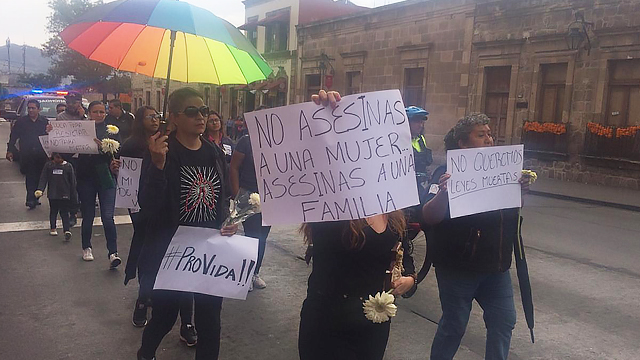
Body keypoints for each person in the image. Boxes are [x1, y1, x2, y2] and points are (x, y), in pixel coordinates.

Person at [297, 90, 417, 360]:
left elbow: (402, 252)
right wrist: (324, 114)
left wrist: (409, 279)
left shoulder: (392, 206)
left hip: (373, 323)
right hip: (327, 320)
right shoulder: (330, 204)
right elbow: (315, 169)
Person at [137, 87, 237, 360]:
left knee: (210, 320)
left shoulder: (214, 152)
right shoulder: (162, 151)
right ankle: (145, 353)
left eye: (203, 111)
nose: (200, 117)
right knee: (166, 315)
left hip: (208, 250)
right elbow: (147, 204)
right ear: (174, 117)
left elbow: (222, 194)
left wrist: (228, 222)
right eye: (192, 111)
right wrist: (157, 166)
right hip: (172, 250)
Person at [422, 113, 532, 360]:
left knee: (504, 322)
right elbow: (428, 215)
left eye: (490, 134)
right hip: (458, 267)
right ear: (462, 143)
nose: (489, 139)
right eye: (481, 135)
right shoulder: (445, 171)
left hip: (496, 266)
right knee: (454, 326)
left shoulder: (502, 170)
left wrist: (519, 192)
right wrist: (444, 194)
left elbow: (511, 210)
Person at [121, 106, 197, 346]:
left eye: (157, 116)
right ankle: (143, 302)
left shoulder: (177, 145)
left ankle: (187, 322)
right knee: (150, 267)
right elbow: (130, 178)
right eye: (149, 117)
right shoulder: (135, 145)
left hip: (177, 219)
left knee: (185, 274)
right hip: (147, 214)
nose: (155, 120)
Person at [75, 101, 121, 266]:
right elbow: (66, 149)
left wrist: (109, 153)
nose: (100, 115)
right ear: (89, 112)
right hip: (86, 177)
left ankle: (113, 252)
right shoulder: (81, 129)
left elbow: (119, 151)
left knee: (108, 217)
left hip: (105, 177)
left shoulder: (112, 130)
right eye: (96, 112)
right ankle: (86, 247)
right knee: (88, 215)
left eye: (102, 112)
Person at [229, 105, 268, 292]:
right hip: (248, 195)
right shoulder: (246, 142)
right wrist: (237, 194)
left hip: (269, 197)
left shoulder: (274, 142)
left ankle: (255, 272)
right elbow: (234, 167)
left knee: (263, 237)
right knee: (252, 236)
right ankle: (246, 273)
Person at [6, 99, 49, 209]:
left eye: (33, 108)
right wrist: (10, 150)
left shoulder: (44, 121)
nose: (30, 110)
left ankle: (36, 197)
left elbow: (50, 137)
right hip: (27, 153)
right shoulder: (21, 122)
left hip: (41, 154)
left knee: (40, 177)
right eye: (29, 108)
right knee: (30, 176)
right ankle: (30, 199)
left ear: (39, 109)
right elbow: (14, 136)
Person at [35, 152, 78, 240]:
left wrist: (73, 195)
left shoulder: (68, 167)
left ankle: (66, 230)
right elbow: (43, 178)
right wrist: (40, 189)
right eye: (56, 157)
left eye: (59, 157)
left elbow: (72, 182)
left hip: (65, 194)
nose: (57, 160)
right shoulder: (49, 166)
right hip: (53, 194)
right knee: (53, 211)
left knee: (64, 212)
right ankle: (53, 227)